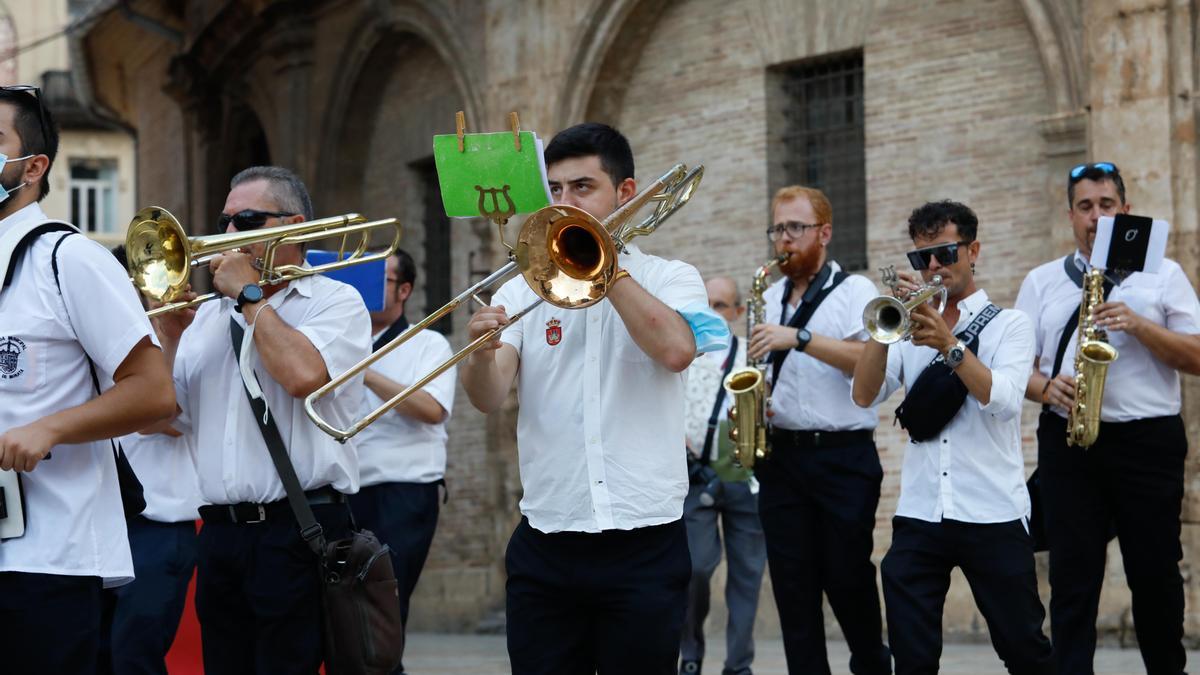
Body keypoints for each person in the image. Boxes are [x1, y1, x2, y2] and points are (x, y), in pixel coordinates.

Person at [461, 122, 723, 674]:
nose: (565, 203)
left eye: (583, 188)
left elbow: (676, 350)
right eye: (555, 190)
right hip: (547, 540)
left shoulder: (673, 277)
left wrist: (605, 262)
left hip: (643, 541)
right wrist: (480, 354)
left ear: (625, 194)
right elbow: (487, 397)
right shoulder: (520, 288)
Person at [150, 166, 371, 673]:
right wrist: (169, 336)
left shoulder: (337, 302)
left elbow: (300, 375)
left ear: (292, 227)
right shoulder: (206, 316)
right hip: (223, 533)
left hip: (299, 528)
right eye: (224, 221)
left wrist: (251, 297)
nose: (226, 234)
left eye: (245, 219)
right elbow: (159, 417)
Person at [0, 86, 175, 674]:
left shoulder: (69, 259)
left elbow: (153, 394)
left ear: (33, 165)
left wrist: (49, 428)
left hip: (47, 559)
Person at [852, 200, 1053, 675]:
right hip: (922, 513)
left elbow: (1003, 400)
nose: (934, 268)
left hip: (993, 511)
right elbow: (863, 395)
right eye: (922, 259)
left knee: (1024, 649)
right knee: (913, 658)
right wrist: (883, 332)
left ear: (973, 250)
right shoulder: (910, 328)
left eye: (945, 254)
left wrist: (948, 344)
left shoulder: (1010, 325)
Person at [1016, 162, 1200, 675]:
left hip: (1149, 442)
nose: (1096, 217)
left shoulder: (1163, 272)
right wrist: (1045, 387)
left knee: (1156, 576)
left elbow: (1198, 356)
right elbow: (1015, 371)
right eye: (1085, 207)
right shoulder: (1043, 280)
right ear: (1070, 216)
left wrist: (1141, 326)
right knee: (1073, 579)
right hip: (1070, 440)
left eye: (1106, 205)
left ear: (1126, 209)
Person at [748, 185, 890, 675]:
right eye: (778, 228)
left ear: (824, 233)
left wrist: (800, 338)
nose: (783, 239)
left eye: (795, 228)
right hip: (782, 459)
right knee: (793, 589)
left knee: (848, 578)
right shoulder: (766, 297)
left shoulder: (856, 292)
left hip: (842, 458)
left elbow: (864, 361)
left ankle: (872, 663)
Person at [98, 246, 203, 675]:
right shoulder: (98, 342)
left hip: (157, 529)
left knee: (133, 659)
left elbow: (157, 417)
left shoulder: (186, 342)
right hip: (102, 524)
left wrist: (169, 333)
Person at [350, 248, 454, 675]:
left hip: (403, 491)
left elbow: (432, 409)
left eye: (381, 281)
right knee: (344, 610)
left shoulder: (428, 342)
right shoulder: (339, 340)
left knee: (384, 606)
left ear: (405, 290)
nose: (366, 291)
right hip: (346, 490)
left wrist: (364, 370)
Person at [678, 276, 768, 675]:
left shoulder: (753, 355)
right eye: (707, 304)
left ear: (737, 312)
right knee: (695, 568)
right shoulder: (683, 354)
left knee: (747, 577)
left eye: (721, 305)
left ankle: (739, 665)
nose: (713, 311)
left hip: (745, 477)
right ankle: (691, 651)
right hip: (696, 478)